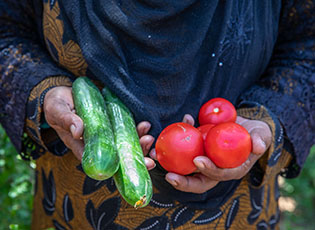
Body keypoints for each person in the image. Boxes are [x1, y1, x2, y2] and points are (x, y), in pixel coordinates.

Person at [0, 0, 314, 229]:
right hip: (76, 209)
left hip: (238, 212)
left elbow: (308, 43)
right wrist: (45, 93)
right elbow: (6, 28)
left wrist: (266, 121)